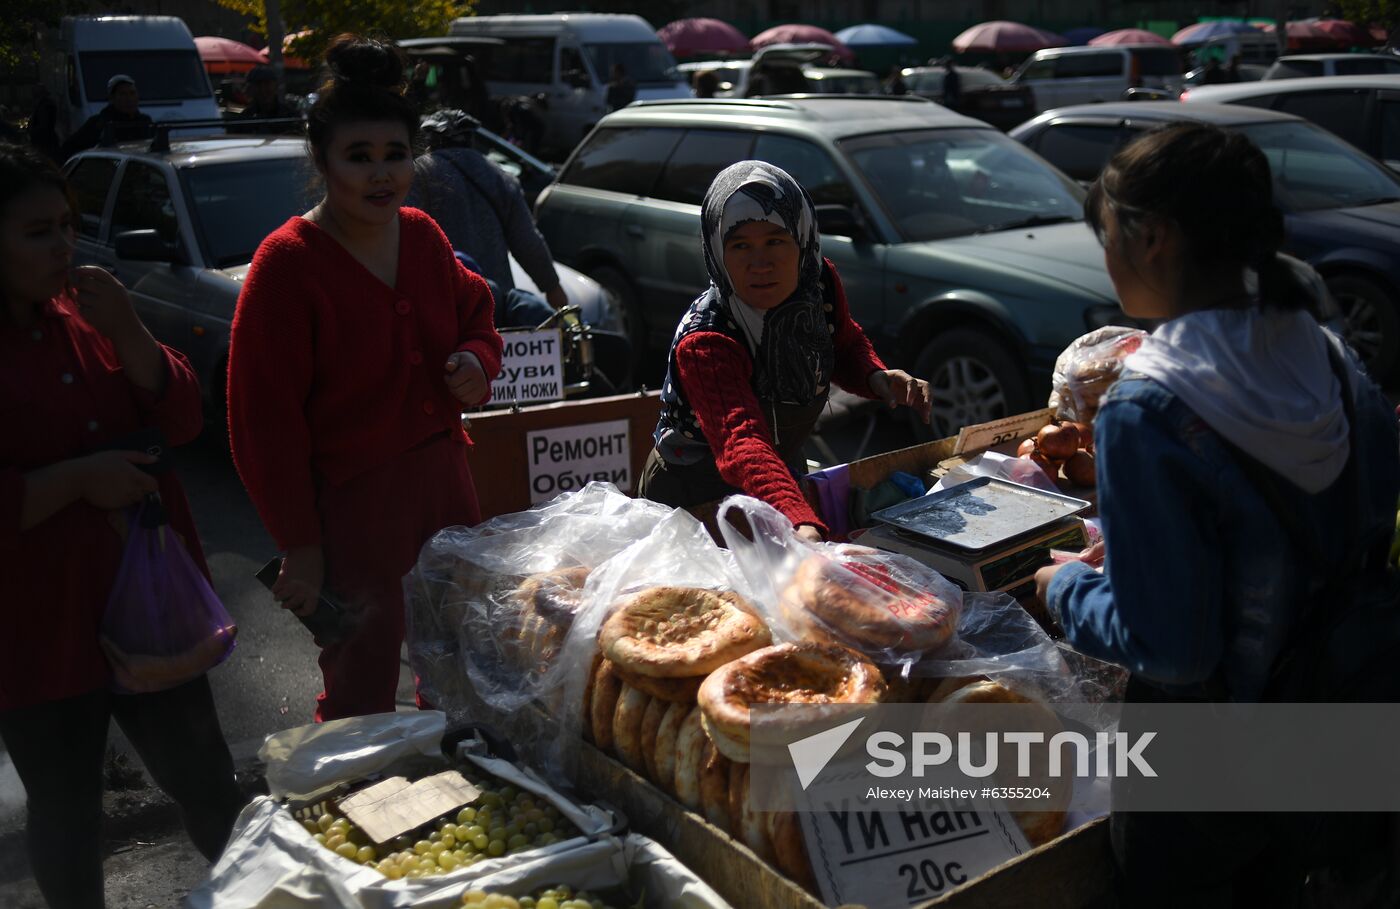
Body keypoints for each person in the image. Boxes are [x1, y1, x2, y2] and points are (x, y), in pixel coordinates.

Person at [1033, 123, 1399, 905]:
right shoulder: (1325, 349)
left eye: (1108, 235)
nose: (1105, 256)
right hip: (1347, 713)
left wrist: (1065, 588)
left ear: (1154, 238)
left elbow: (1171, 647)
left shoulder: (1149, 406)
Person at [226, 35, 503, 722]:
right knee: (360, 686)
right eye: (360, 157)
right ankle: (362, 810)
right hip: (354, 514)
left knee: (462, 663)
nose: (382, 175)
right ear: (321, 161)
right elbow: (263, 423)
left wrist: (477, 361)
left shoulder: (424, 235)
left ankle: (470, 794)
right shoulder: (286, 263)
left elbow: (478, 312)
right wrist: (302, 545)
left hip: (447, 493)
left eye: (395, 155)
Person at [0, 142, 244, 908]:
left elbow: (181, 414)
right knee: (68, 811)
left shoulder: (90, 311)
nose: (64, 245)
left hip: (151, 611)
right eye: (39, 231)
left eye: (67, 226)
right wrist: (76, 480)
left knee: (209, 783)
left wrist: (131, 328)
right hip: (37, 629)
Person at [638, 161, 931, 540]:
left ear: (802, 238)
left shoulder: (816, 282)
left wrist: (877, 376)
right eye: (740, 245)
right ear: (716, 250)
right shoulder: (707, 341)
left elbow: (842, 342)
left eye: (775, 240)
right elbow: (740, 441)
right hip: (696, 493)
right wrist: (797, 517)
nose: (761, 263)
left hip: (780, 473)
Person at [408, 109, 568, 314]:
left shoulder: (417, 173)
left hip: (440, 307)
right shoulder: (499, 175)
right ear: (471, 138)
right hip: (497, 306)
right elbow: (528, 242)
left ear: (430, 140)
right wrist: (553, 289)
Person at [59, 74, 154, 158]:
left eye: (132, 93)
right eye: (123, 94)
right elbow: (69, 148)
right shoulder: (98, 123)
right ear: (112, 98)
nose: (129, 98)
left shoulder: (145, 121)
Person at [231, 65, 302, 133]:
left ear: (275, 86)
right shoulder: (243, 119)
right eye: (258, 85)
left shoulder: (291, 116)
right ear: (251, 89)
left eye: (267, 84)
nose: (263, 90)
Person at [27, 86, 60, 161]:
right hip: (46, 140)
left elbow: (43, 125)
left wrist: (32, 132)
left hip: (44, 141)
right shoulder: (45, 105)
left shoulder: (44, 106)